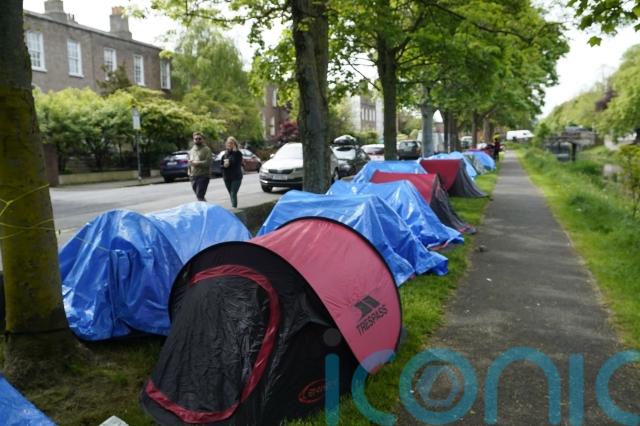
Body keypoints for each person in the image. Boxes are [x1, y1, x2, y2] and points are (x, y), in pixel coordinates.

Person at [188, 132, 212, 202]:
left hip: (203, 175)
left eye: (199, 138)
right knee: (199, 196)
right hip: (193, 176)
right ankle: (206, 206)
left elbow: (208, 162)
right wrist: (189, 172)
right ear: (193, 140)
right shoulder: (191, 151)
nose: (197, 140)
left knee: (200, 195)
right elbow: (189, 162)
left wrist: (197, 163)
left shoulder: (207, 150)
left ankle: (205, 208)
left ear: (202, 139)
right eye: (196, 139)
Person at [221, 136, 244, 208]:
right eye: (228, 143)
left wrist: (234, 152)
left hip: (236, 177)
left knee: (233, 193)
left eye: (231, 143)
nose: (229, 145)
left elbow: (236, 163)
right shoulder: (225, 154)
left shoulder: (238, 154)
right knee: (231, 194)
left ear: (235, 144)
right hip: (227, 177)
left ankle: (234, 209)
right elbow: (220, 166)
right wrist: (224, 166)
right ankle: (234, 207)